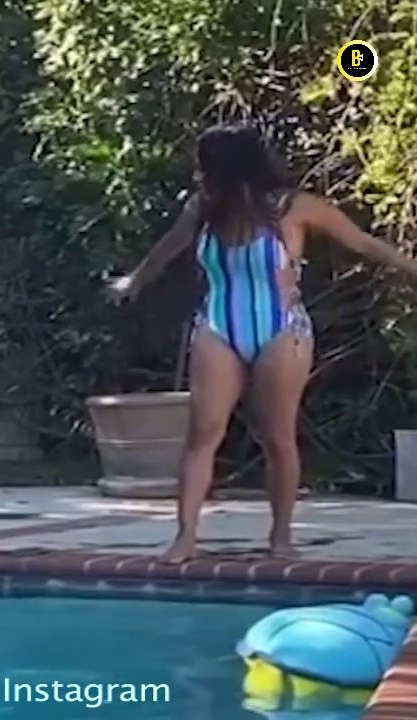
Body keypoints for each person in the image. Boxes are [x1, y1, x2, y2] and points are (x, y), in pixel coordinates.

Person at [108, 124, 417, 563]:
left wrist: (411, 270)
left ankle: (281, 536)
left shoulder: (294, 208)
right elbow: (168, 248)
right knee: (202, 434)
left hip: (280, 328)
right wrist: (133, 281)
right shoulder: (204, 210)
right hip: (219, 325)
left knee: (277, 437)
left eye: (205, 166)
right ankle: (185, 537)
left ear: (228, 168)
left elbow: (363, 243)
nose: (198, 175)